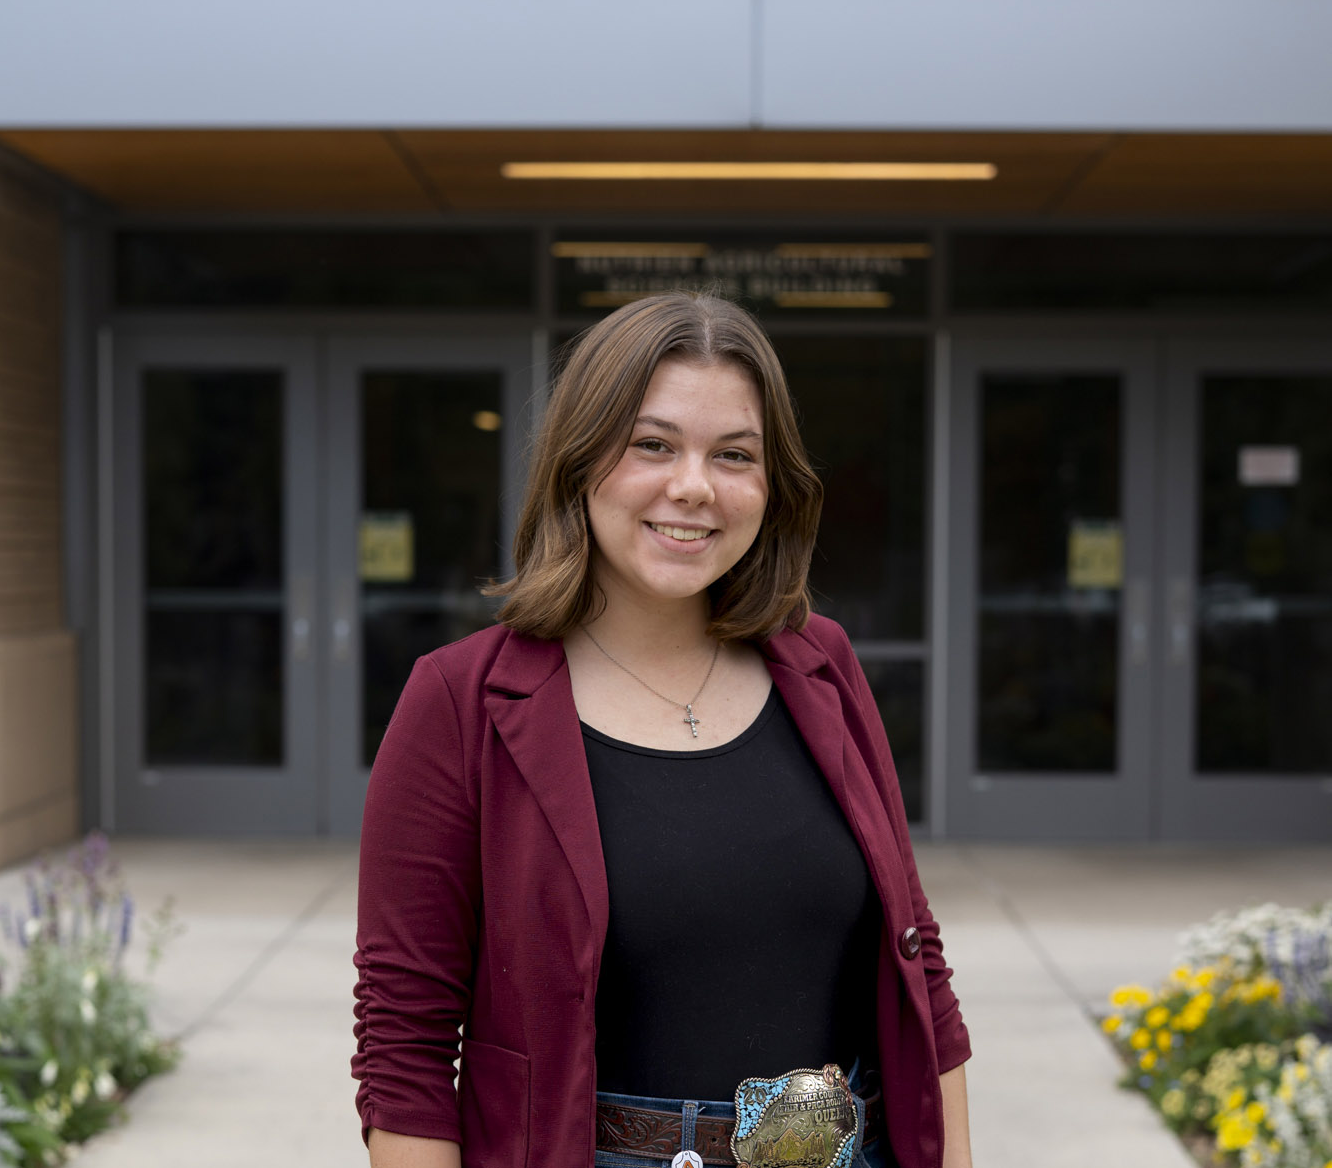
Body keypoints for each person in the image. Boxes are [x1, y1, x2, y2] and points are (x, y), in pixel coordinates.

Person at [352, 292, 973, 1168]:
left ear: (771, 485)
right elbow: (405, 1044)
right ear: (578, 461)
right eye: (652, 444)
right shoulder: (461, 701)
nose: (694, 486)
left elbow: (921, 974)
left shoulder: (820, 667)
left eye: (733, 455)